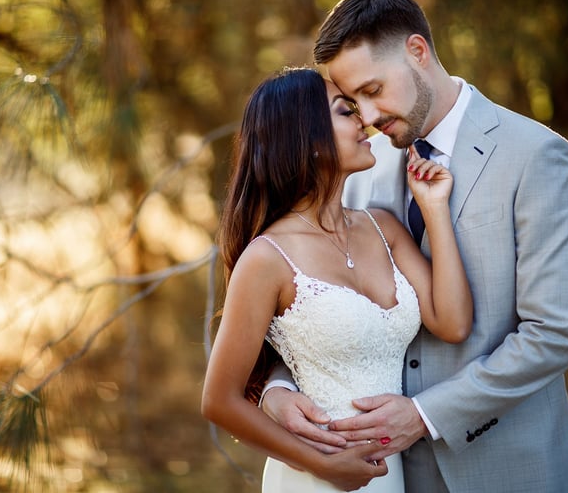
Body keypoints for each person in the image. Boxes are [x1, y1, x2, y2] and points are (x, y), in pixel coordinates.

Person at [261, 0, 568, 493]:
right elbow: (316, 309)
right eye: (354, 103)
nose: (368, 117)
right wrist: (278, 390)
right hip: (388, 475)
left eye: (374, 89)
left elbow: (553, 335)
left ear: (417, 51)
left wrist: (424, 414)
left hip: (510, 467)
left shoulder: (536, 155)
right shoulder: (359, 166)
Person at [201, 66, 472, 492]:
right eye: (346, 111)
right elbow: (219, 400)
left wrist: (435, 209)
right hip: (314, 477)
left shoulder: (383, 228)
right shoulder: (267, 258)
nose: (365, 120)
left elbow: (453, 323)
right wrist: (321, 466)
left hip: (389, 474)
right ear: (306, 139)